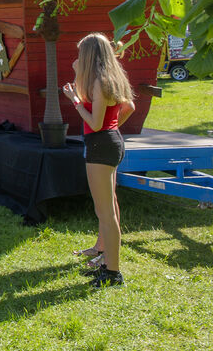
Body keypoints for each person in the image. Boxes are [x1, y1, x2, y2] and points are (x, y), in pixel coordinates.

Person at [61, 32, 135, 287]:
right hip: (108, 142)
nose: (78, 58)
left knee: (105, 213)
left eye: (81, 53)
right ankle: (106, 265)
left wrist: (75, 102)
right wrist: (113, 129)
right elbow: (128, 108)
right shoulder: (109, 78)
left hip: (101, 145)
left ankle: (113, 272)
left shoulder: (99, 83)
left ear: (90, 55)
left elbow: (94, 122)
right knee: (106, 209)